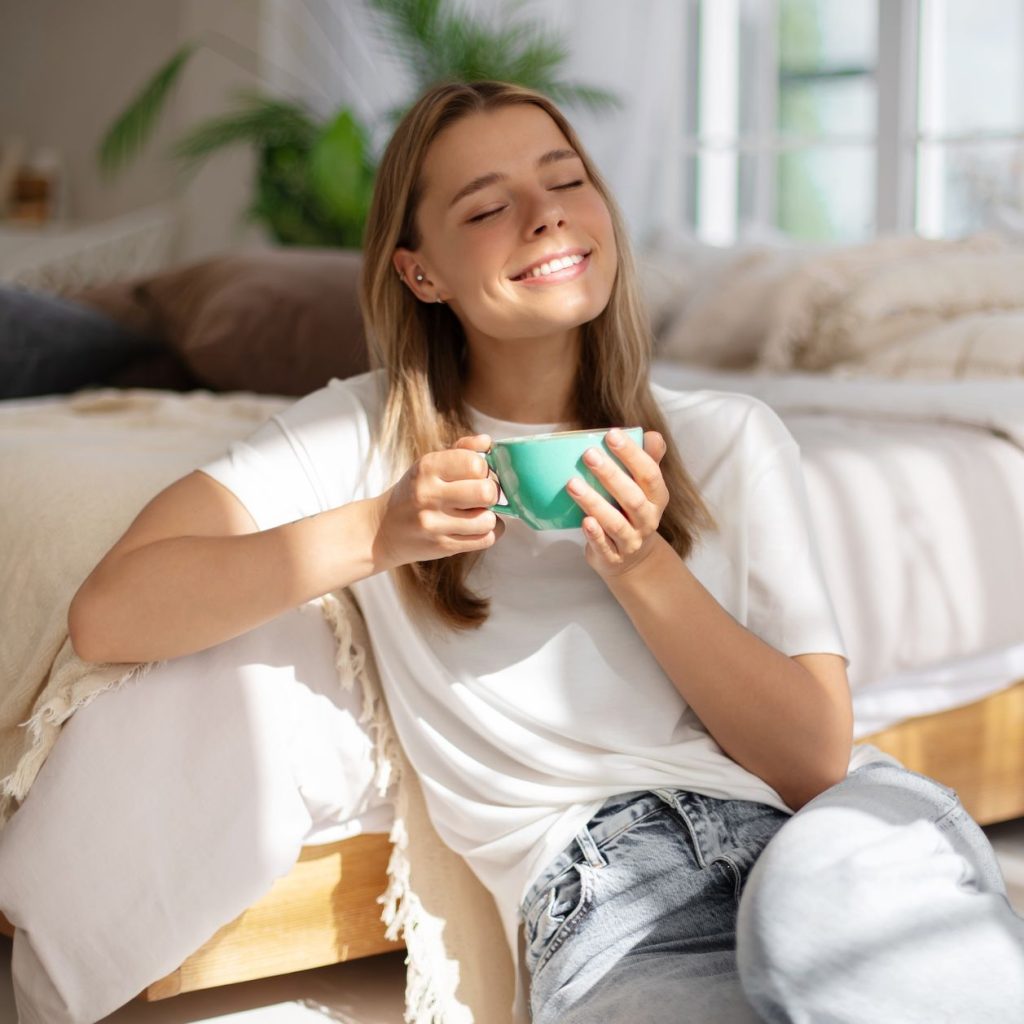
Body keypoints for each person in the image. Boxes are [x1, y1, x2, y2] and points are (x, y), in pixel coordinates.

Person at [69, 80, 1024, 1023]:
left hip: (820, 844)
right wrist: (379, 532)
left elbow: (814, 759)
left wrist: (643, 566)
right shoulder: (360, 439)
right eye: (486, 206)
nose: (543, 217)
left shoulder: (732, 438)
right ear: (420, 273)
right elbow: (111, 614)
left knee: (823, 923)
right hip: (613, 912)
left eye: (566, 182)